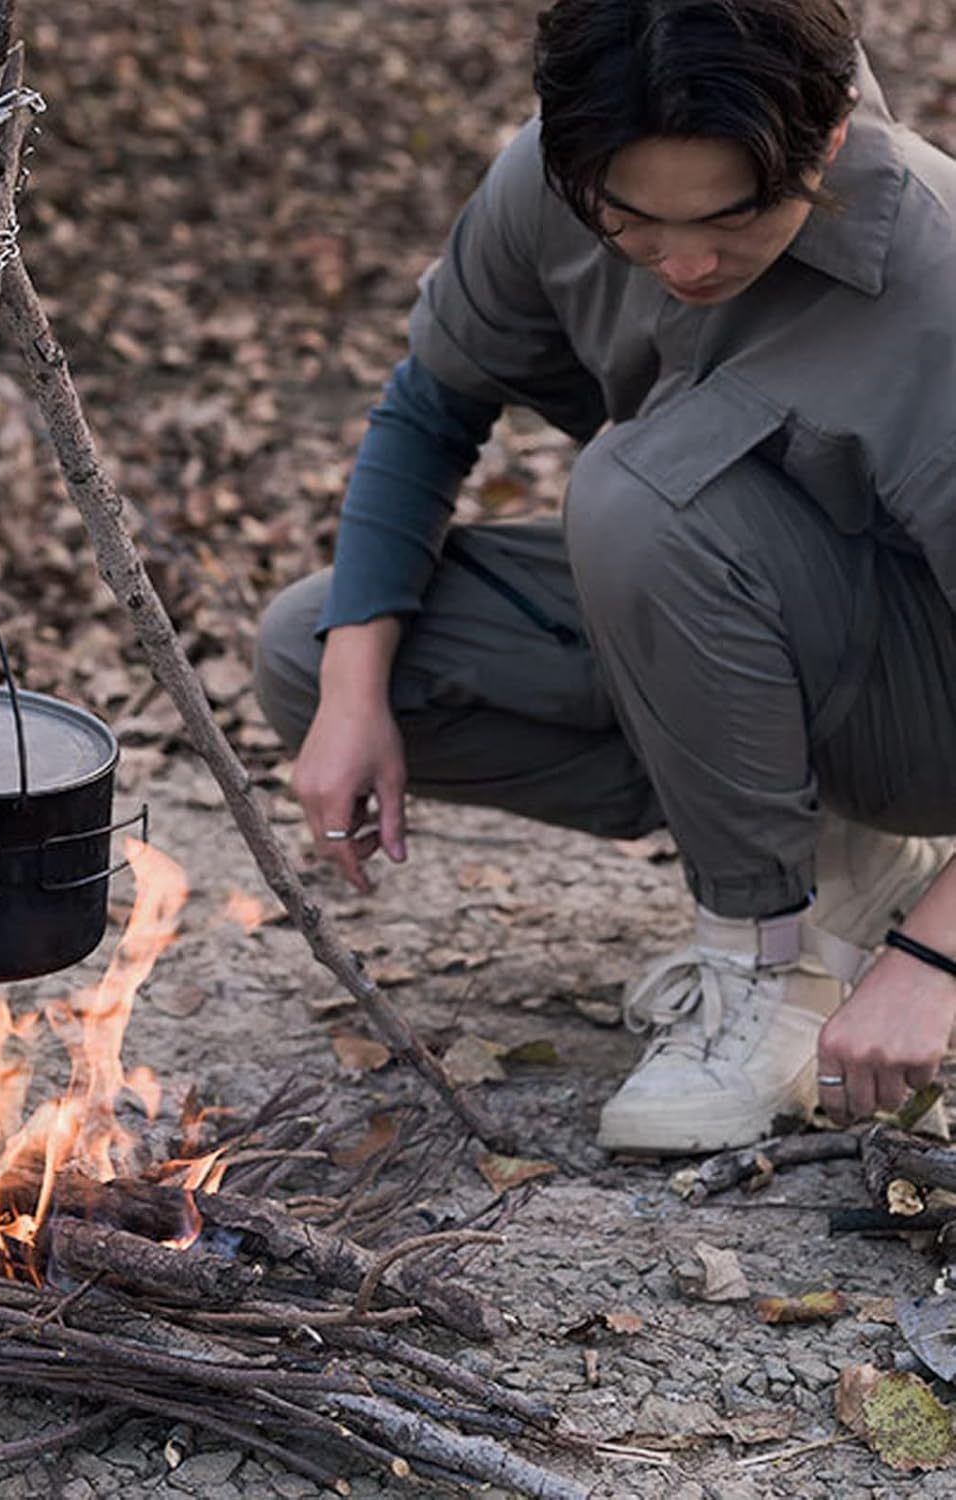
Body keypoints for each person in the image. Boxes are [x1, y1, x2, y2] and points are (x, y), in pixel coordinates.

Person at [254, 0, 956, 1155]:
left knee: (639, 490)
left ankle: (767, 969)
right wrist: (349, 694)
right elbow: (430, 410)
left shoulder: (935, 275)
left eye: (733, 218)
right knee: (315, 647)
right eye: (633, 223)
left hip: (928, 714)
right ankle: (847, 864)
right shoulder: (551, 182)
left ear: (826, 139)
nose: (684, 264)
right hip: (752, 639)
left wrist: (931, 962)